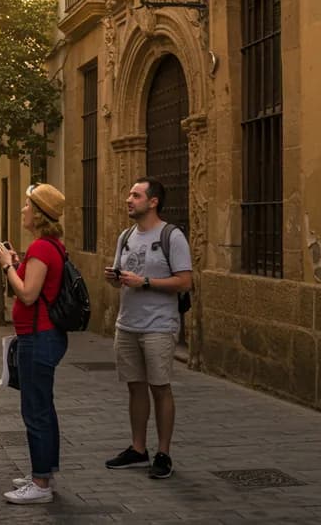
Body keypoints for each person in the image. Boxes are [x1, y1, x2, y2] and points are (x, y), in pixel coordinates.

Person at [103, 177, 192, 480]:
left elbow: (185, 281)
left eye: (136, 195)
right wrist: (115, 278)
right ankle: (138, 449)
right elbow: (122, 274)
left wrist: (145, 282)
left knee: (160, 388)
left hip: (159, 325)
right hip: (127, 323)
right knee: (135, 387)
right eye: (129, 194)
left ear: (153, 202)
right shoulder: (126, 235)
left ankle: (163, 453)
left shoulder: (172, 236)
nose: (129, 199)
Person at [0, 183, 68, 505]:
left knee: (35, 411)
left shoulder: (41, 248)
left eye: (27, 206)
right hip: (40, 336)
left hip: (39, 337)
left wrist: (8, 265)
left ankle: (40, 484)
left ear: (38, 215)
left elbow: (27, 293)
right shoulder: (49, 246)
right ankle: (43, 472)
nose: (22, 210)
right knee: (43, 408)